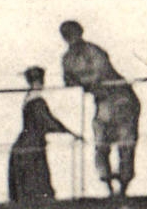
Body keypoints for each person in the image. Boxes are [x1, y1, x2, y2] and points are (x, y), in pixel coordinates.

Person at [59, 21, 142, 197]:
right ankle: (108, 186)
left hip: (121, 98)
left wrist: (85, 81)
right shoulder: (67, 59)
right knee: (101, 144)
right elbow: (68, 81)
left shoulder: (94, 51)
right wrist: (84, 82)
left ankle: (123, 188)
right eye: (68, 36)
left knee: (125, 143)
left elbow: (101, 72)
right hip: (102, 101)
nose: (72, 39)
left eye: (74, 34)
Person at [8, 66, 77, 202]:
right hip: (32, 143)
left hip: (28, 141)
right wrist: (70, 132)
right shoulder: (37, 100)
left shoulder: (30, 98)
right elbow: (47, 121)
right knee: (36, 176)